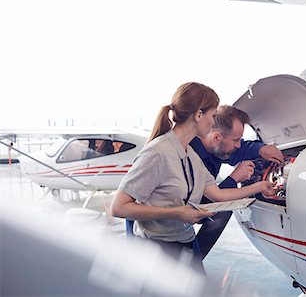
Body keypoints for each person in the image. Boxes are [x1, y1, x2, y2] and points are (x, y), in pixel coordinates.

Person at [110, 82, 275, 274]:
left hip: (185, 245)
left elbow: (218, 195)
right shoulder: (157, 153)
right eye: (213, 116)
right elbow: (118, 207)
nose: (214, 123)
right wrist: (178, 213)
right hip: (158, 253)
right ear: (198, 115)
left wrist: (261, 186)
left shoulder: (190, 154)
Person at [190, 105, 284, 259]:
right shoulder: (191, 155)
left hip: (185, 214)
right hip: (168, 224)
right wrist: (234, 178)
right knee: (226, 206)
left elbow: (240, 149)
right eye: (236, 140)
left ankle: (194, 258)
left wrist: (261, 149)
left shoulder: (215, 147)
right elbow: (207, 201)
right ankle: (193, 260)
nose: (238, 144)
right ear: (216, 137)